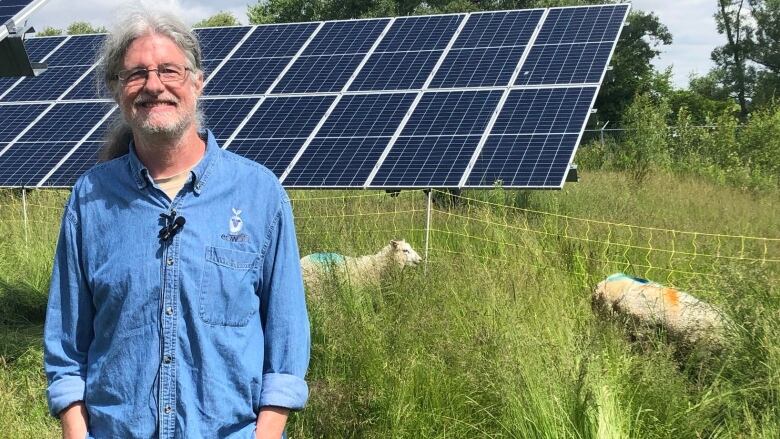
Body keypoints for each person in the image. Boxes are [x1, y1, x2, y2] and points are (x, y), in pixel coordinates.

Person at [43, 7, 310, 439]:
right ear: (117, 90)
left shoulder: (259, 195)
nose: (154, 85)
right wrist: (76, 430)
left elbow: (286, 343)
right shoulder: (91, 201)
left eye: (169, 70)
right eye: (136, 74)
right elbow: (66, 345)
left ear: (197, 82)